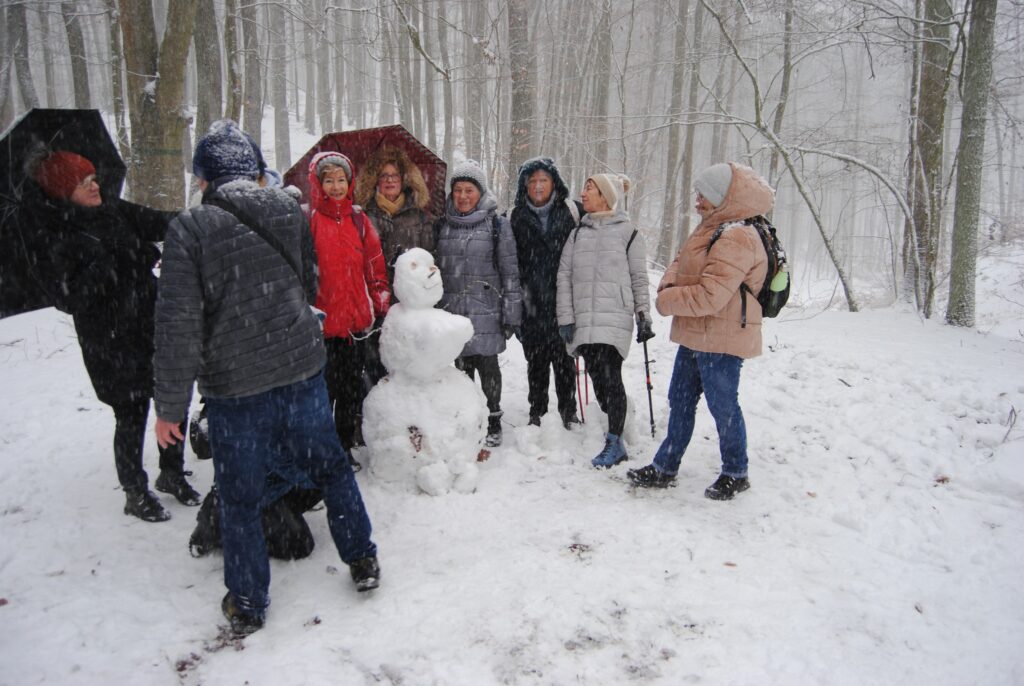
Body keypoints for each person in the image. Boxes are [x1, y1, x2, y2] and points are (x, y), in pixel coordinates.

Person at [153, 120, 380, 637]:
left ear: (205, 177)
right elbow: (308, 281)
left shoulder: (189, 229)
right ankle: (363, 558)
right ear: (254, 171)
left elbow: (178, 324)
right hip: (301, 370)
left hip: (237, 387)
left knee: (239, 493)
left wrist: (170, 405)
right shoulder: (286, 209)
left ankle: (249, 601)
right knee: (331, 467)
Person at [23, 149, 200, 522]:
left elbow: (160, 222)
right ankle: (135, 490)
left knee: (174, 398)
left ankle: (171, 472)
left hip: (151, 322)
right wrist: (115, 259)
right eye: (83, 183)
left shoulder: (115, 210)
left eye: (93, 178)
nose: (94, 186)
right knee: (131, 411)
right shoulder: (50, 236)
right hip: (110, 339)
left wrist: (200, 217)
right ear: (62, 190)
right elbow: (69, 297)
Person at [627, 162, 772, 500]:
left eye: (704, 194)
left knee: (723, 406)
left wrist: (667, 301)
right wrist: (669, 287)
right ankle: (666, 466)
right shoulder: (711, 227)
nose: (697, 200)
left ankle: (736, 471)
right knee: (679, 401)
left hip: (722, 338)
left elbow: (711, 295)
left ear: (723, 197)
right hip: (697, 332)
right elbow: (678, 266)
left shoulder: (737, 235)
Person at [556, 173, 653, 468]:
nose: (583, 194)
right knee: (598, 377)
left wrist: (643, 315)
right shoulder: (577, 233)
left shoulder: (628, 233)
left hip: (614, 317)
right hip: (584, 318)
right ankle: (614, 431)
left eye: (590, 189)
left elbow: (638, 277)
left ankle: (615, 440)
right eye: (584, 188)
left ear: (605, 196)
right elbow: (565, 276)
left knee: (611, 376)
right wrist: (566, 317)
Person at [307, 151, 390, 456]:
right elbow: (305, 270)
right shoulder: (310, 219)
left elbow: (374, 263)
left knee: (349, 391)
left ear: (350, 181)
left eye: (341, 180)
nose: (336, 186)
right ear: (318, 184)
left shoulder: (359, 219)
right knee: (321, 393)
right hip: (322, 326)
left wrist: (379, 298)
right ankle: (322, 449)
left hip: (356, 325)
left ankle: (343, 446)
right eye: (329, 180)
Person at [434, 159, 522, 447]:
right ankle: (467, 419)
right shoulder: (441, 225)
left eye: (468, 190)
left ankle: (493, 417)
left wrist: (511, 313)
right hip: (452, 312)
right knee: (459, 371)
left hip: (486, 310)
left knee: (488, 367)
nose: (462, 196)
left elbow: (510, 272)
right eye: (457, 189)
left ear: (480, 193)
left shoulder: (497, 225)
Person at [509, 157, 582, 429]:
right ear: (524, 185)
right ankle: (537, 410)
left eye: (544, 180)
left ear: (554, 183)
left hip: (564, 302)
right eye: (532, 181)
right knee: (536, 362)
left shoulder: (573, 212)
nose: (538, 186)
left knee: (565, 362)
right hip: (531, 303)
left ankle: (568, 410)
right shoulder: (514, 216)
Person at [353, 146, 435, 283]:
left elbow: (429, 257)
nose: (390, 180)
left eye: (395, 175)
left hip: (410, 292)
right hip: (376, 291)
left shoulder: (420, 217)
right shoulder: (364, 217)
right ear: (375, 180)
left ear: (403, 180)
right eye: (384, 175)